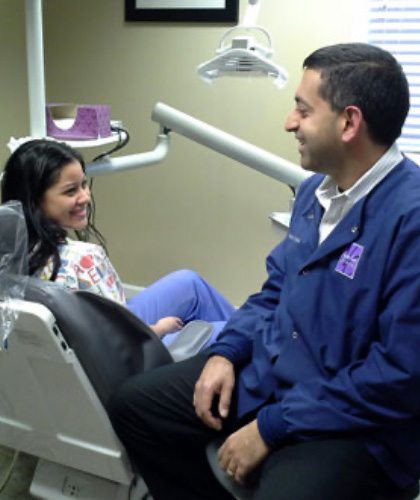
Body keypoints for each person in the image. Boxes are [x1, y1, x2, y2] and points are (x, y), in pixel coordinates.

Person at [107, 42, 420, 500]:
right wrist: (226, 352)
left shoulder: (409, 219)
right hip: (273, 376)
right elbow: (275, 291)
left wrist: (271, 428)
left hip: (353, 421)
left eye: (302, 110)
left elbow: (399, 375)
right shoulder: (316, 192)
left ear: (350, 122)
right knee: (136, 408)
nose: (289, 123)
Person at [0, 139, 235, 343]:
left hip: (94, 336)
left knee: (189, 282)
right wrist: (160, 329)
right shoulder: (84, 261)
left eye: (84, 184)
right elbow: (122, 344)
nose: (85, 197)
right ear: (34, 201)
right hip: (132, 362)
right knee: (240, 332)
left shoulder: (10, 252)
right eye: (71, 191)